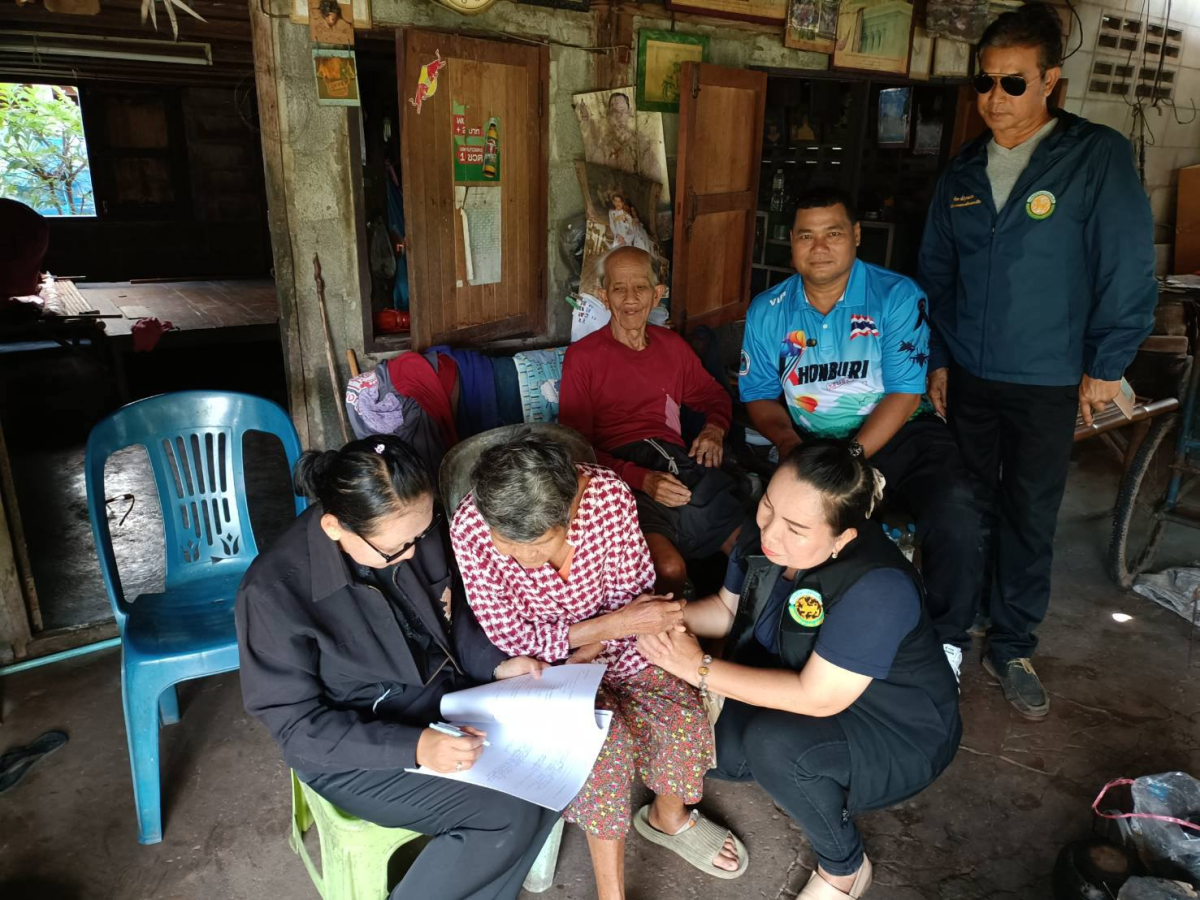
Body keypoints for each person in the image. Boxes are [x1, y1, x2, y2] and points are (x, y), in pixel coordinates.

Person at [918, 2, 1157, 717]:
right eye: (985, 82)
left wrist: (1108, 363)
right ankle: (955, 628)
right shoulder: (964, 169)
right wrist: (937, 357)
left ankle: (1013, 640)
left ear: (1051, 81)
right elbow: (937, 274)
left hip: (1049, 377)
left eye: (1013, 83)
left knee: (1029, 510)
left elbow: (1127, 266)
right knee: (964, 505)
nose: (995, 98)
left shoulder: (1095, 156)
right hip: (969, 372)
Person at [236, 435, 558, 900]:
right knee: (504, 815)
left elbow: (455, 615)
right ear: (334, 527)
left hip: (444, 702)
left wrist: (496, 664)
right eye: (396, 548)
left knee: (552, 780)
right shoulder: (273, 594)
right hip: (355, 751)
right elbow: (298, 728)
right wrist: (415, 747)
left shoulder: (416, 532)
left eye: (421, 535)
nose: (412, 553)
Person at [638, 440, 961, 900]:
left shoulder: (877, 587)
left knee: (775, 747)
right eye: (769, 506)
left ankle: (844, 867)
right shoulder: (762, 537)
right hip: (808, 687)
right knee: (703, 747)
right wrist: (660, 618)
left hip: (894, 729)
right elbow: (728, 611)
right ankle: (799, 771)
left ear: (842, 538)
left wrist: (697, 666)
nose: (771, 534)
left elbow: (818, 697)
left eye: (796, 528)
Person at [449, 434, 747, 900]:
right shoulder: (472, 527)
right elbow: (509, 636)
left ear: (571, 510)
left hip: (623, 645)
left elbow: (636, 594)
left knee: (682, 716)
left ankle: (667, 818)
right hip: (543, 668)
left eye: (537, 544)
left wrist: (607, 634)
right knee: (601, 748)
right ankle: (612, 893)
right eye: (505, 543)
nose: (519, 557)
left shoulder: (606, 495)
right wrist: (606, 629)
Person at [739, 186, 983, 681]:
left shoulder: (897, 296)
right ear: (792, 242)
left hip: (902, 433)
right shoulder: (769, 310)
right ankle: (792, 632)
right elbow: (759, 396)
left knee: (957, 511)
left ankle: (947, 644)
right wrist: (788, 443)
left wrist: (851, 457)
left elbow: (905, 393)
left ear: (855, 236)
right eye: (806, 236)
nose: (819, 247)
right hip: (811, 440)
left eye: (832, 233)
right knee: (786, 519)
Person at [559, 245, 746, 594]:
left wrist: (714, 428)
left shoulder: (671, 346)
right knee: (669, 568)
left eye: (640, 287)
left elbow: (713, 395)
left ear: (657, 294)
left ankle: (733, 623)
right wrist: (642, 479)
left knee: (750, 551)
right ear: (604, 296)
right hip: (619, 478)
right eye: (618, 288)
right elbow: (576, 451)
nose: (630, 298)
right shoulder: (582, 358)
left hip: (677, 462)